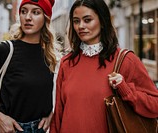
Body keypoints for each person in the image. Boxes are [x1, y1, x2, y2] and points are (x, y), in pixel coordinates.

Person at [50, 0, 158, 132]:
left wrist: (126, 90)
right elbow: (58, 115)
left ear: (102, 21)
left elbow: (155, 105)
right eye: (76, 21)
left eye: (87, 20)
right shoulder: (66, 63)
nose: (80, 26)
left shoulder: (125, 60)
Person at [0, 0, 57, 132]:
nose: (28, 17)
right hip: (7, 129)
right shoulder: (4, 50)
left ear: (46, 18)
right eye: (24, 11)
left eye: (36, 12)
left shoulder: (49, 55)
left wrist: (50, 113)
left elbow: (42, 96)